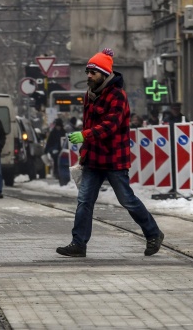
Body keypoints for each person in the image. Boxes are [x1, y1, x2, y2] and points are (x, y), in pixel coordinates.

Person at [57, 48, 164, 257]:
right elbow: (90, 123)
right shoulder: (89, 95)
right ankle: (78, 243)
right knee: (84, 201)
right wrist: (83, 151)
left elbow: (110, 125)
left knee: (127, 200)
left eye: (93, 72)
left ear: (104, 74)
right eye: (87, 71)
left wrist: (85, 136)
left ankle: (153, 233)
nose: (89, 76)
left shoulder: (118, 96)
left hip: (114, 159)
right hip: (93, 158)